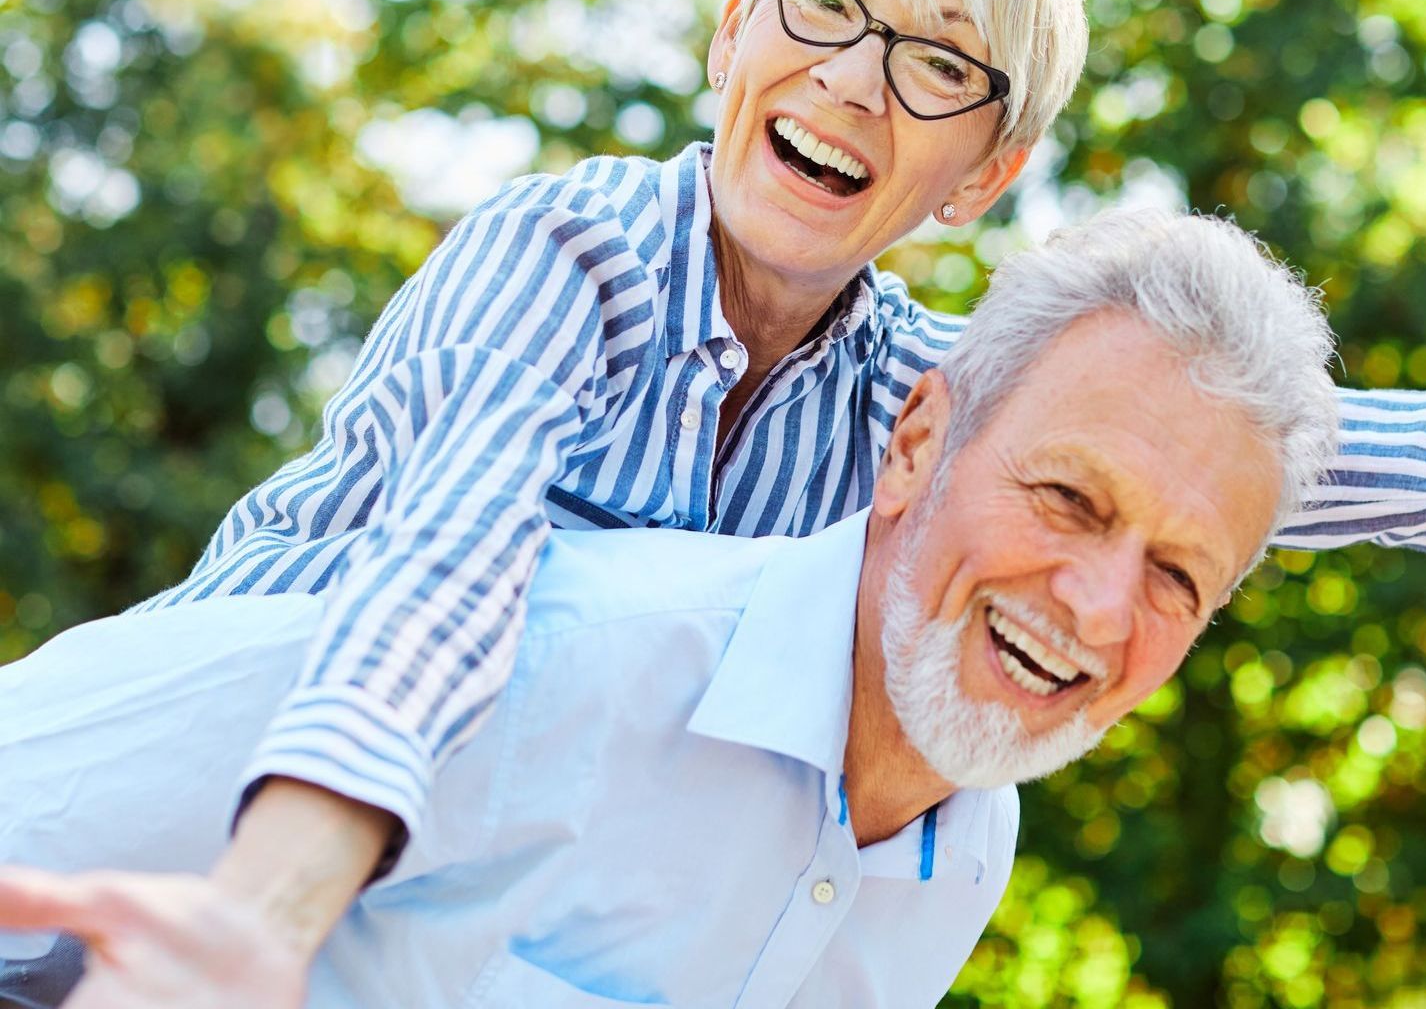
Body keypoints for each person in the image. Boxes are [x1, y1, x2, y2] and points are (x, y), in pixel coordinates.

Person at [26, 0, 1426, 1007]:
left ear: (986, 174)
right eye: (823, 4)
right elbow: (436, 594)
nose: (856, 82)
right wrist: (257, 922)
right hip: (159, 832)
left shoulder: (910, 399)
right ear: (731, 32)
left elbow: (1318, 456)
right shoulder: (572, 253)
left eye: (938, 65)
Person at [0, 210, 1341, 1008]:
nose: (1101, 608)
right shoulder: (553, 657)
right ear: (918, 445)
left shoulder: (961, 856)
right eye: (1068, 498)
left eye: (1177, 577)